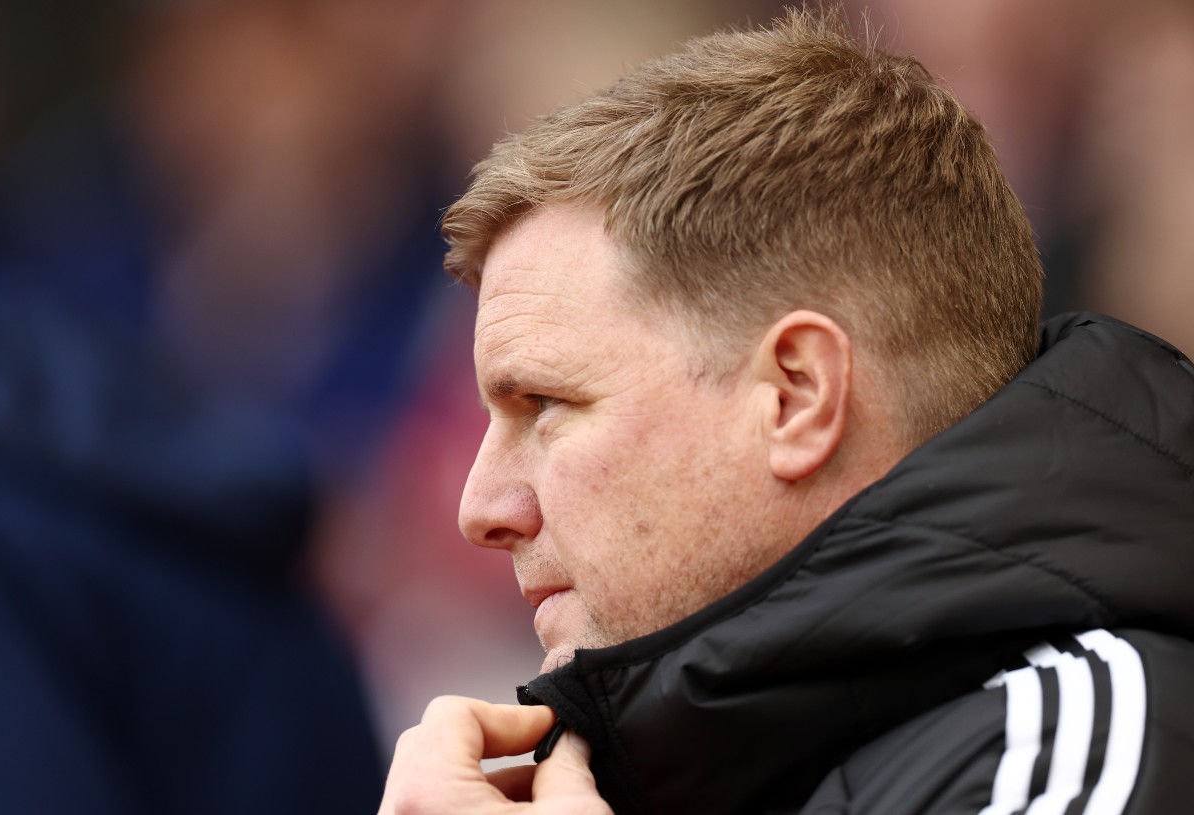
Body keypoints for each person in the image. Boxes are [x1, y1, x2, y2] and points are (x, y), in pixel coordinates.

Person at [380, 7, 1194, 814]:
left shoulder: (1070, 756)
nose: (480, 509)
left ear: (797, 396)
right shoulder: (676, 767)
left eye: (545, 404)